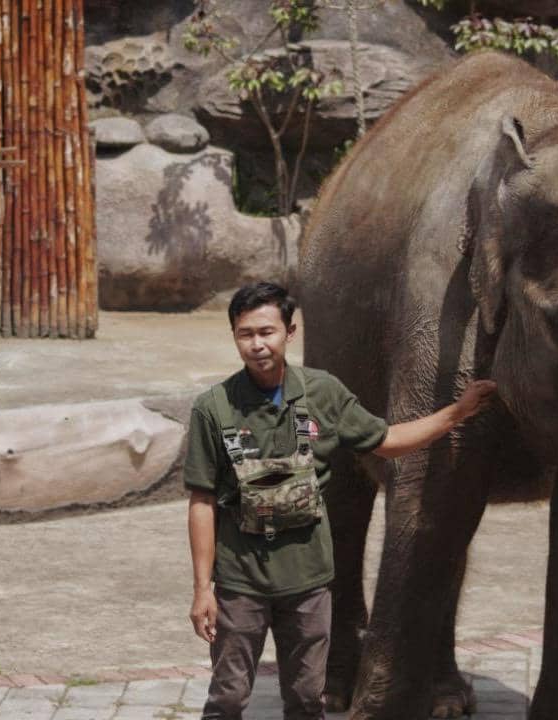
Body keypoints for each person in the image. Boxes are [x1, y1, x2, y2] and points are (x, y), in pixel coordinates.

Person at [184, 281, 496, 720]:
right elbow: (202, 501)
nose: (257, 344)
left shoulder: (322, 393)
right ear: (235, 336)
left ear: (289, 333)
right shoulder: (213, 408)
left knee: (307, 699)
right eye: (246, 334)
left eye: (267, 332)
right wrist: (202, 590)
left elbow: (386, 439)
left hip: (309, 583)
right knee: (229, 698)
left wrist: (455, 414)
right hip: (240, 584)